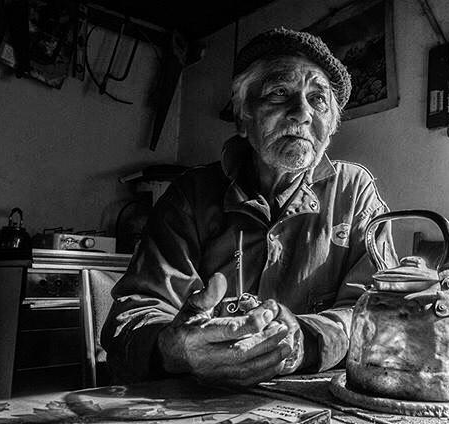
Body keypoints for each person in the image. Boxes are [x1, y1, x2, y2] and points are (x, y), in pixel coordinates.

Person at [101, 26, 396, 387]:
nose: (301, 113)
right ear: (243, 116)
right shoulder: (190, 196)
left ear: (330, 127)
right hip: (199, 401)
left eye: (318, 99)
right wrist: (176, 348)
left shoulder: (354, 192)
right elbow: (132, 317)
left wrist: (306, 340)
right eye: (279, 92)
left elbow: (381, 310)